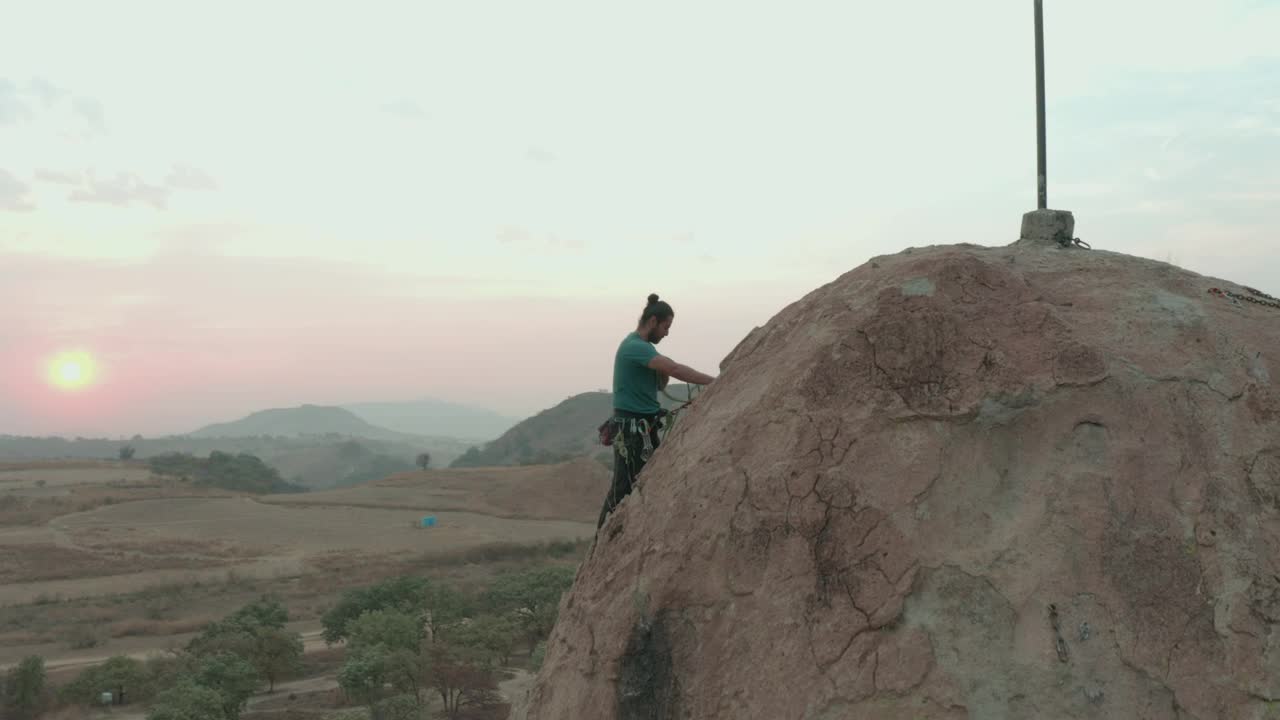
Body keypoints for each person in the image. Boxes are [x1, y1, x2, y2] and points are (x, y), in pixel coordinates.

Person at [597, 293, 716, 529]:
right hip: (633, 430)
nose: (667, 333)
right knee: (623, 487)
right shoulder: (634, 347)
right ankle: (602, 540)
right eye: (666, 326)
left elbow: (661, 384)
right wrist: (714, 382)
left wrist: (662, 368)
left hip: (644, 427)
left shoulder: (644, 349)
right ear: (653, 322)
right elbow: (675, 369)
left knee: (642, 482)